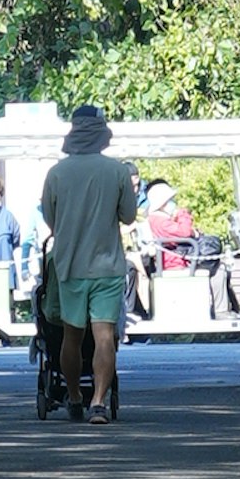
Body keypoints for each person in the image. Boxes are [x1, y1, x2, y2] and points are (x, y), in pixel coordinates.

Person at [37, 102, 142, 423]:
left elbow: (51, 222)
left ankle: (73, 396)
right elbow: (128, 216)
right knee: (105, 336)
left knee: (71, 336)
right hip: (108, 265)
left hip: (69, 265)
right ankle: (99, 402)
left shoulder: (56, 173)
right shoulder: (118, 171)